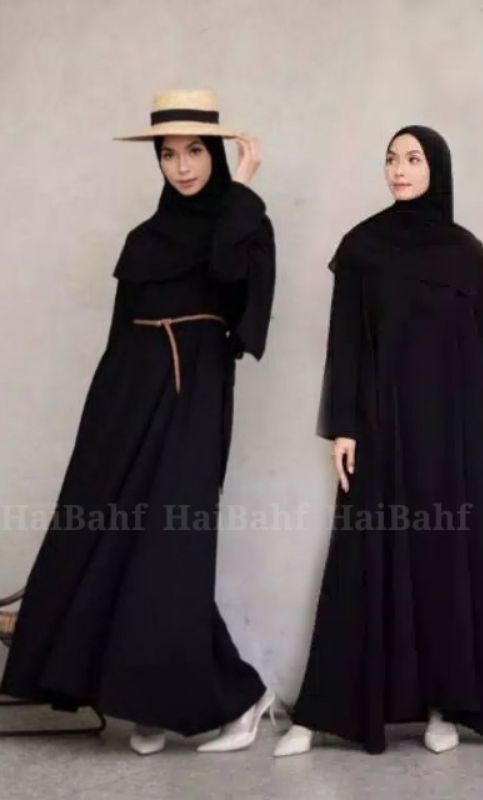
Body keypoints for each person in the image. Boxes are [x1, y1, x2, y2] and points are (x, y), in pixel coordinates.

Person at [0, 89, 277, 756]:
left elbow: (230, 284)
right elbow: (118, 336)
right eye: (168, 154)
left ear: (215, 153)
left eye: (194, 151)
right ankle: (146, 703)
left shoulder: (244, 223)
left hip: (194, 392)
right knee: (113, 543)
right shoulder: (143, 240)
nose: (182, 167)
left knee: (170, 554)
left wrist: (242, 191)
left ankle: (241, 698)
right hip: (127, 395)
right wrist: (100, 427)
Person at [274, 125, 483, 757]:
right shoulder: (363, 246)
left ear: (436, 167)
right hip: (382, 421)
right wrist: (344, 425)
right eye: (391, 158)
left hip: (456, 427)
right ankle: (327, 711)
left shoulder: (465, 252)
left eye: (412, 158)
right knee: (366, 552)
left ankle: (442, 708)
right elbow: (346, 343)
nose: (399, 169)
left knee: (443, 556)